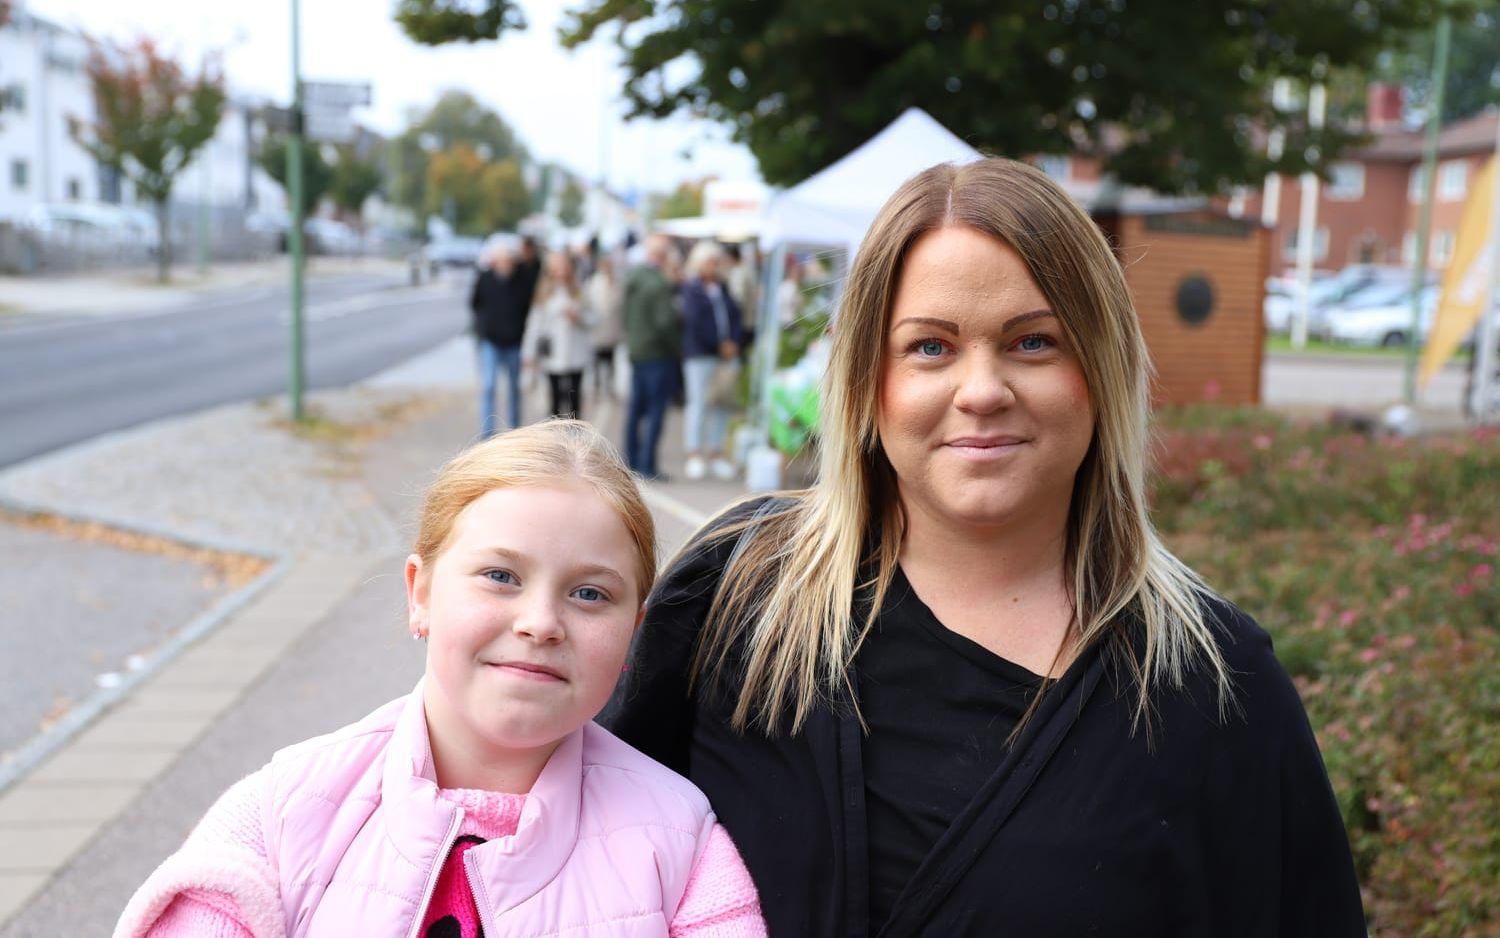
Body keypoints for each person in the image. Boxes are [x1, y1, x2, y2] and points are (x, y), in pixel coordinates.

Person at [604, 158, 1366, 936]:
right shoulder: (735, 599)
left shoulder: (1214, 682)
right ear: (869, 380)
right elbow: (570, 859)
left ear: (1100, 370)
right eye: (930, 348)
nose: (981, 390)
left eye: (1033, 343)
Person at [116, 421, 768, 938]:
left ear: (634, 632)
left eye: (591, 594)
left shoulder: (680, 844)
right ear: (420, 593)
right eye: (501, 576)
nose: (541, 622)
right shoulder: (281, 816)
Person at [679, 240, 744, 481]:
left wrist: (733, 341)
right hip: (700, 354)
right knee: (698, 403)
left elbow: (736, 316)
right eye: (709, 261)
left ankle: (716, 453)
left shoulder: (722, 288)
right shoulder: (692, 288)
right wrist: (719, 344)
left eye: (716, 262)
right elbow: (695, 323)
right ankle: (694, 453)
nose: (713, 266)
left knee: (721, 403)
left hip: (724, 356)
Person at [622, 233, 681, 480]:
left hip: (638, 349)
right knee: (656, 410)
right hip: (657, 352)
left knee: (636, 409)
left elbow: (624, 314)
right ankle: (647, 465)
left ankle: (630, 461)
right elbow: (664, 322)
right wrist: (677, 346)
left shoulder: (633, 278)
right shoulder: (657, 283)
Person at [468, 245, 531, 436]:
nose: (505, 265)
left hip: (514, 342)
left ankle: (514, 430)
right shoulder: (485, 278)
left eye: (508, 261)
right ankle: (486, 434)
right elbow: (475, 303)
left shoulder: (521, 281)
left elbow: (527, 308)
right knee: (488, 386)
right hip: (491, 341)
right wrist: (483, 328)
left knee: (514, 388)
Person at [524, 250, 594, 420]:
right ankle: (555, 438)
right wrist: (529, 353)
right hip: (552, 353)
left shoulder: (579, 290)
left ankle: (575, 436)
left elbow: (595, 317)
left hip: (575, 353)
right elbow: (535, 325)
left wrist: (579, 318)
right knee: (554, 400)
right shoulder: (544, 293)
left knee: (574, 399)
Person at [586, 254, 623, 401]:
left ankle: (609, 386)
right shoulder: (594, 282)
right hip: (598, 329)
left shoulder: (616, 282)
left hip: (611, 330)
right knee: (597, 360)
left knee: (610, 360)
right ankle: (597, 386)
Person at [723, 242, 759, 351]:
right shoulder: (747, 269)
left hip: (742, 323)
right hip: (749, 321)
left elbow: (737, 299)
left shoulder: (739, 272)